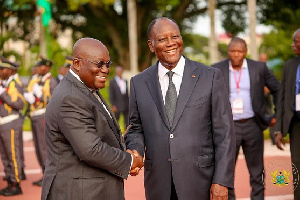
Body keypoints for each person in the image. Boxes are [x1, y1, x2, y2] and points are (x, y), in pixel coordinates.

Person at [125, 17, 235, 200]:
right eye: (162, 39)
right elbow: (136, 128)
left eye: (175, 37)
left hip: (201, 182)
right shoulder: (139, 83)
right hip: (159, 184)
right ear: (151, 46)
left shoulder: (210, 77)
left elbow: (225, 133)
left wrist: (222, 181)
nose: (171, 43)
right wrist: (135, 151)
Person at [41, 37, 143, 200]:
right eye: (99, 64)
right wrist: (129, 161)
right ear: (77, 63)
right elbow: (90, 149)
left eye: (108, 64)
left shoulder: (85, 88)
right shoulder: (71, 97)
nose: (106, 70)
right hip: (81, 192)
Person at [212, 37, 280, 200]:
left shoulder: (259, 68)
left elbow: (277, 88)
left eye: (239, 51)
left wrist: (276, 115)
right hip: (228, 128)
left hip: (253, 125)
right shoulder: (216, 69)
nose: (236, 55)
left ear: (245, 52)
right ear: (228, 52)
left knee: (257, 172)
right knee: (226, 171)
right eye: (232, 51)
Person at [23, 56, 58, 186]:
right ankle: (44, 173)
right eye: (37, 66)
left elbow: (54, 101)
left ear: (47, 67)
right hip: (34, 116)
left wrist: (40, 96)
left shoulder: (52, 81)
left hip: (43, 116)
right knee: (38, 147)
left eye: (40, 66)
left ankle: (49, 175)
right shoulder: (37, 80)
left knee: (44, 147)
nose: (38, 68)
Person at [274, 28, 300, 200]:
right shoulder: (290, 66)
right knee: (297, 167)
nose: (292, 44)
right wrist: (278, 130)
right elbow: (282, 99)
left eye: (295, 41)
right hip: (296, 124)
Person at [0, 57, 25, 196]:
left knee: (13, 155)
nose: (0, 71)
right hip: (3, 123)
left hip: (11, 122)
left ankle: (16, 184)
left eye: (2, 69)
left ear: (9, 70)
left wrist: (3, 95)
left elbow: (19, 104)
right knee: (5, 155)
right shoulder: (3, 83)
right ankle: (10, 181)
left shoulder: (15, 84)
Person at [259, 53, 277, 145]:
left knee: (271, 118)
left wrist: (267, 89)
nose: (263, 61)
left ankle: (274, 140)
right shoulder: (255, 70)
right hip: (258, 100)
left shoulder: (270, 71)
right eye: (261, 59)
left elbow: (274, 85)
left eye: (264, 59)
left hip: (267, 100)